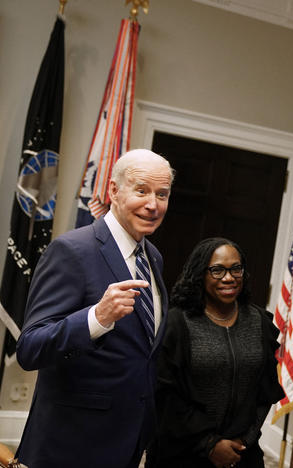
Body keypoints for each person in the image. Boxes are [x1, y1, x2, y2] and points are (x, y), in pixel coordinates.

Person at [16, 149, 174, 468]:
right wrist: (95, 319)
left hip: (127, 443)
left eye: (162, 194)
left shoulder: (153, 257)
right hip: (70, 446)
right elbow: (30, 348)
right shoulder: (71, 250)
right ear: (114, 191)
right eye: (141, 190)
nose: (153, 205)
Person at [146, 238, 284, 468]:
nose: (228, 277)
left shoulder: (259, 322)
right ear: (201, 274)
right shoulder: (178, 323)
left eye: (235, 269)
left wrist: (245, 440)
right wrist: (209, 444)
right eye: (217, 270)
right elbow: (164, 397)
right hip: (182, 453)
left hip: (241, 454)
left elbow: (264, 391)